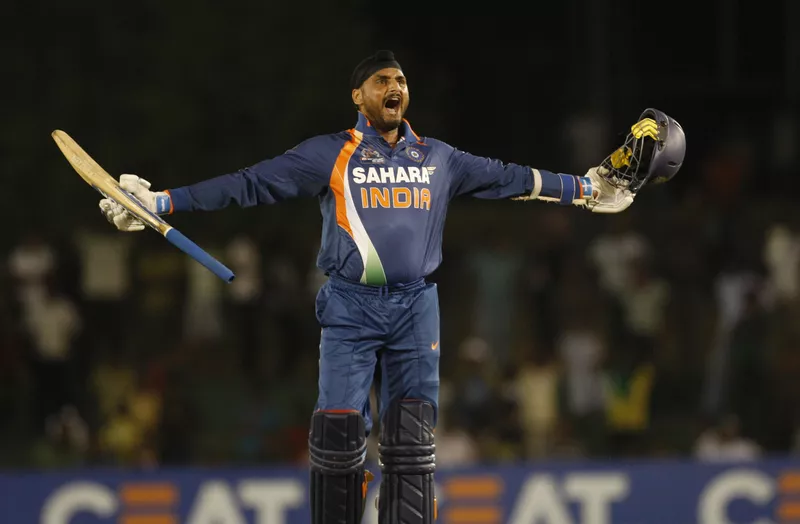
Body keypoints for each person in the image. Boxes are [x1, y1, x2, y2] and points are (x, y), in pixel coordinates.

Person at [98, 50, 685, 524]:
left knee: (412, 446)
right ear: (359, 96)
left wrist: (589, 190)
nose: (394, 87)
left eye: (400, 79)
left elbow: (515, 180)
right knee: (336, 440)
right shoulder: (331, 154)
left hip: (414, 307)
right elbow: (251, 184)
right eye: (382, 80)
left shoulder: (440, 158)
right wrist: (160, 202)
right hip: (350, 307)